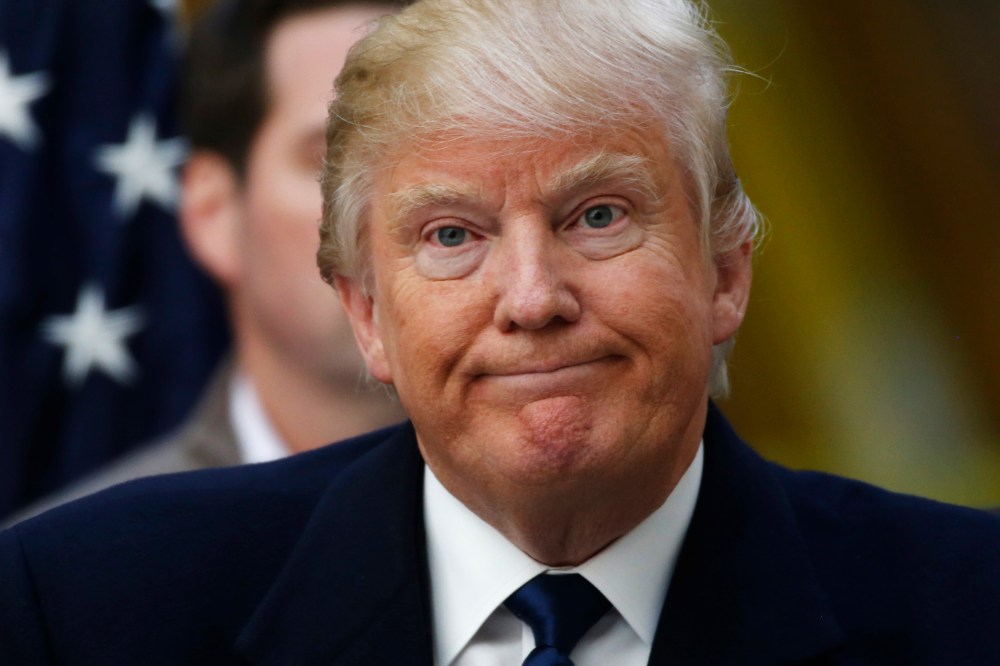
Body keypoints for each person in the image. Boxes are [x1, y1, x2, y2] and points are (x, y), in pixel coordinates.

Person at [3, 0, 1000, 663]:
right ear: (367, 317)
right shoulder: (87, 608)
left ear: (724, 273)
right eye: (451, 235)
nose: (530, 297)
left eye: (597, 216)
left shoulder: (968, 609)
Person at [3, 0, 404, 525]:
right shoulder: (73, 577)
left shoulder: (547, 546)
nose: (403, 207)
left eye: (431, 157)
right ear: (214, 213)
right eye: (333, 161)